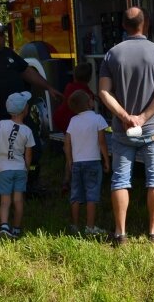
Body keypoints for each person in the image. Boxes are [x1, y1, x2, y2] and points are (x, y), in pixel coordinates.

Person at [98, 6, 154, 246]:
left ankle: (120, 234)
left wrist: (124, 116)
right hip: (153, 130)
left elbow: (104, 92)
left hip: (122, 131)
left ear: (123, 25)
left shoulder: (112, 54)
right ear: (146, 23)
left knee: (120, 180)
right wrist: (143, 117)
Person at [0, 18, 62, 198]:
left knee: (33, 148)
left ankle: (30, 184)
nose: (5, 38)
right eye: (1, 35)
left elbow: (26, 71)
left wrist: (49, 87)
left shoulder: (7, 53)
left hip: (20, 114)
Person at [0, 92, 36, 239]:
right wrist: (26, 167)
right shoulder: (27, 131)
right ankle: (17, 228)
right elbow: (29, 154)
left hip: (3, 170)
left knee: (5, 201)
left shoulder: (2, 125)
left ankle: (4, 226)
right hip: (20, 170)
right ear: (25, 110)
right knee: (18, 200)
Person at [63, 89, 110, 235]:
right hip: (93, 163)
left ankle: (75, 225)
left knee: (76, 194)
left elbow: (67, 144)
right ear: (90, 102)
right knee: (92, 195)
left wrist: (70, 160)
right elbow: (102, 142)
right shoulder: (98, 119)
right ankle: (90, 227)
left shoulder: (73, 121)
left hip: (77, 163)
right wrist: (106, 160)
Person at [53, 62, 95, 134]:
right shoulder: (87, 93)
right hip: (70, 121)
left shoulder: (69, 86)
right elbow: (89, 105)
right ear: (90, 78)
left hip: (59, 117)